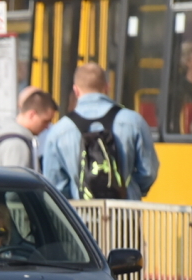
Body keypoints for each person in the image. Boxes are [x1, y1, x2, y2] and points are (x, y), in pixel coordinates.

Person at [42, 62, 159, 200]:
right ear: (107, 87)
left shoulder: (59, 131)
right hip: (126, 214)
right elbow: (148, 171)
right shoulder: (133, 121)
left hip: (79, 216)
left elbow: (55, 182)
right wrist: (131, 190)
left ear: (76, 90)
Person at [0, 90, 58, 169]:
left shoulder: (16, 138)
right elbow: (15, 180)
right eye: (45, 121)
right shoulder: (16, 145)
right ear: (32, 115)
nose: (47, 127)